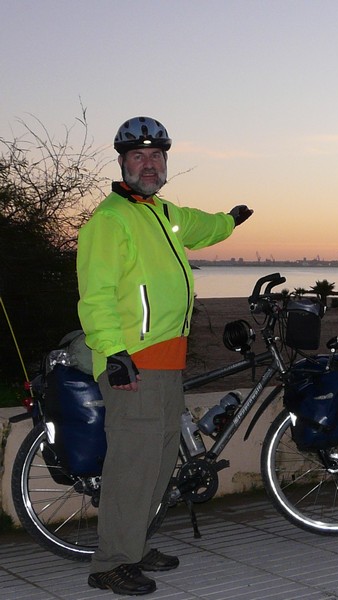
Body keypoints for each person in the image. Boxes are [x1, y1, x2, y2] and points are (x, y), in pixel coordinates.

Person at [77, 116, 253, 595]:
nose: (148, 164)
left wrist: (231, 221)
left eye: (156, 156)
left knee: (157, 464)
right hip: (134, 361)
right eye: (138, 156)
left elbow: (200, 225)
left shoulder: (161, 212)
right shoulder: (110, 220)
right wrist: (114, 352)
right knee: (133, 467)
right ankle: (110, 563)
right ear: (122, 163)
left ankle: (135, 543)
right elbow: (96, 296)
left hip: (166, 359)